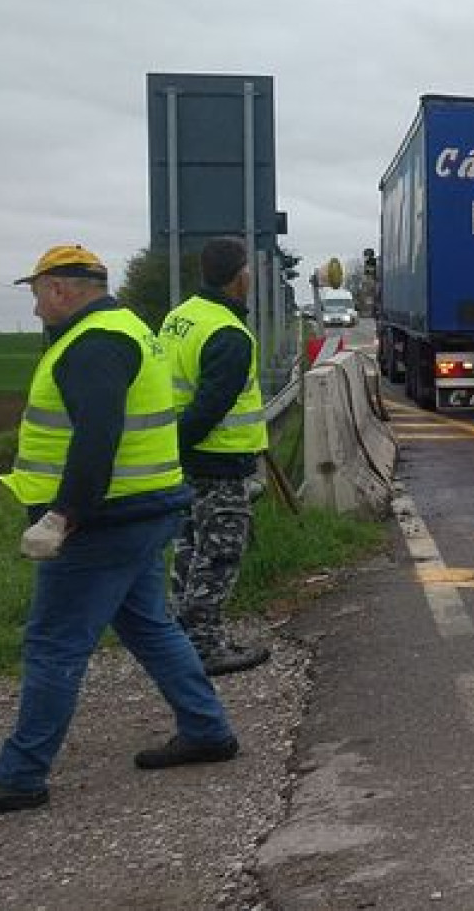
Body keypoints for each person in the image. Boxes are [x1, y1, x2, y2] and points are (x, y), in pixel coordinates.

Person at [0, 246, 240, 817]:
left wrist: (63, 515)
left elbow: (98, 435)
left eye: (38, 293)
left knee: (53, 643)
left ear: (62, 289)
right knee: (148, 626)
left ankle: (20, 773)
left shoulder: (92, 345)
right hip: (139, 511)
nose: (36, 306)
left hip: (103, 522)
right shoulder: (124, 330)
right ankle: (207, 729)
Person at [159, 236, 271, 676]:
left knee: (189, 549)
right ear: (240, 277)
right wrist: (183, 445)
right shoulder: (228, 333)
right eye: (249, 272)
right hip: (218, 462)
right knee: (218, 556)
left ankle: (183, 640)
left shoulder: (178, 318)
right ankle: (204, 648)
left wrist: (171, 450)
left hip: (185, 462)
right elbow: (209, 407)